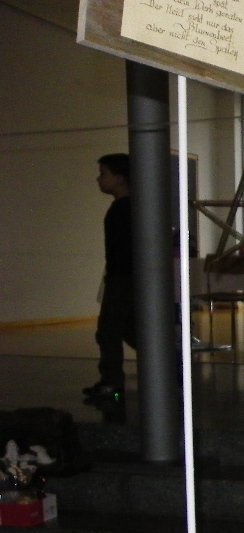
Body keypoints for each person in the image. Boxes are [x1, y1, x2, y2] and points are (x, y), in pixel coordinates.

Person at [84, 153, 135, 402]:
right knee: (125, 329)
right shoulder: (126, 208)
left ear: (120, 178)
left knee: (109, 330)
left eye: (103, 174)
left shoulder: (124, 209)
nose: (99, 179)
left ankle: (112, 383)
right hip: (122, 277)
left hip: (123, 278)